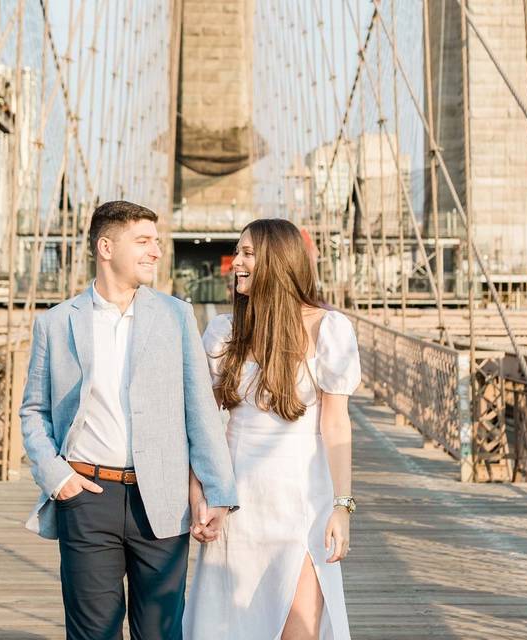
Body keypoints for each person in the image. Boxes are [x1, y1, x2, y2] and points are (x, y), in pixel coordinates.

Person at [20, 200, 238, 640]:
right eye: (143, 241)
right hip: (86, 495)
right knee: (93, 634)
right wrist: (57, 478)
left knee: (160, 632)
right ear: (106, 247)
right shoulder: (57, 323)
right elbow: (34, 411)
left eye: (156, 242)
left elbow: (199, 409)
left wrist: (217, 492)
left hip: (162, 497)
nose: (156, 252)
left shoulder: (177, 316)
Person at [184, 218, 361, 640]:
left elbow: (336, 424)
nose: (236, 264)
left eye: (248, 254)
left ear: (279, 262)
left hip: (303, 500)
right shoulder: (224, 332)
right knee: (229, 627)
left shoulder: (329, 329)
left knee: (299, 628)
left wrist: (342, 506)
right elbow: (203, 426)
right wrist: (200, 497)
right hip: (237, 499)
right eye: (238, 252)